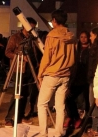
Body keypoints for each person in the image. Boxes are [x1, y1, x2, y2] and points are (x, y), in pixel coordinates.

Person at [37, 9, 76, 137]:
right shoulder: (72, 36)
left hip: (52, 74)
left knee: (42, 104)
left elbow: (46, 57)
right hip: (66, 75)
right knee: (60, 106)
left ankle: (43, 134)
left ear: (54, 20)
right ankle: (58, 133)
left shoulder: (52, 36)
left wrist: (40, 73)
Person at [4, 17, 42, 127]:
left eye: (34, 28)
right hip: (19, 68)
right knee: (17, 93)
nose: (33, 30)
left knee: (25, 94)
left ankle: (20, 116)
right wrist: (20, 57)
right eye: (31, 27)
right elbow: (7, 52)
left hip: (31, 68)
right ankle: (9, 118)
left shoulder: (32, 38)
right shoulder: (15, 38)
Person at [64, 30, 90, 129]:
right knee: (68, 97)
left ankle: (85, 120)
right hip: (76, 77)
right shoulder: (75, 48)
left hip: (86, 78)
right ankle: (73, 117)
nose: (83, 39)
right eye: (81, 37)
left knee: (86, 100)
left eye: (85, 37)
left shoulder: (91, 49)